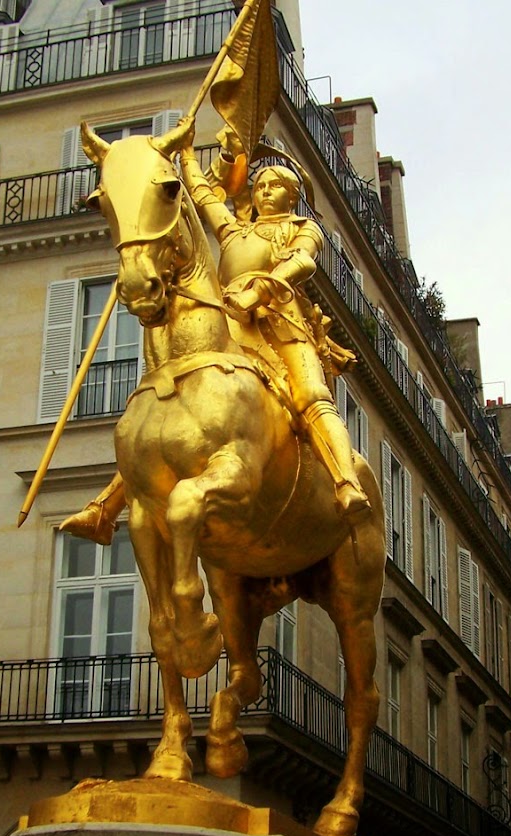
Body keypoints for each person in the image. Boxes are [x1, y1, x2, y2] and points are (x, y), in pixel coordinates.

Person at [61, 120, 369, 545]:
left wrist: (260, 289)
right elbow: (203, 197)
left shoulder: (301, 226)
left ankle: (346, 482)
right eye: (260, 185)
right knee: (167, 412)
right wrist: (188, 154)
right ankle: (107, 506)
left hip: (281, 322)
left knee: (311, 395)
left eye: (275, 186)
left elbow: (303, 261)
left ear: (292, 195)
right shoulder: (236, 230)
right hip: (231, 320)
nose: (264, 192)